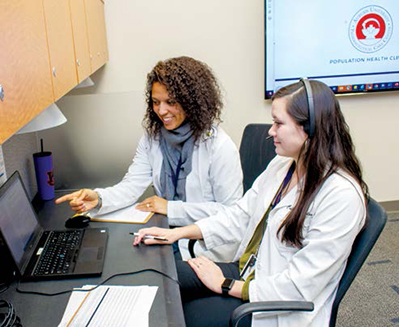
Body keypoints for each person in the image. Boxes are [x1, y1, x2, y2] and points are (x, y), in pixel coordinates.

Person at [133, 79, 369, 327]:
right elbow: (240, 215)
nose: (271, 131)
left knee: (186, 316)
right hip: (248, 271)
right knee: (161, 275)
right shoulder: (284, 166)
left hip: (274, 305)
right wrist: (177, 234)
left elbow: (299, 286)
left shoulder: (340, 196)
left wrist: (225, 284)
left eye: (279, 123)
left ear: (310, 129)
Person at [56, 56, 243, 261]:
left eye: (170, 102)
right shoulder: (153, 139)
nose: (161, 111)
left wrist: (170, 207)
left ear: (192, 101)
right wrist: (99, 198)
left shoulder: (219, 146)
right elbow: (132, 186)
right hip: (169, 236)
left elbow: (231, 213)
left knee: (149, 275)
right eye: (156, 102)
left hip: (208, 251)